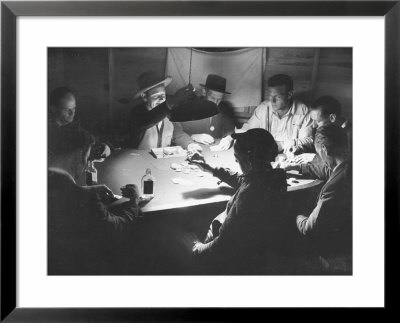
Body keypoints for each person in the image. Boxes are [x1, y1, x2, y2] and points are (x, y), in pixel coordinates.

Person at [188, 128, 288, 274]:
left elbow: (224, 243)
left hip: (234, 258)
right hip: (260, 248)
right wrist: (211, 170)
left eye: (237, 158)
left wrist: (198, 249)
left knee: (173, 233)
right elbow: (244, 180)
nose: (235, 161)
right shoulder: (276, 177)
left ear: (249, 159)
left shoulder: (249, 193)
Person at [48, 125, 142, 274]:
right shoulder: (85, 199)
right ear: (80, 155)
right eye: (86, 156)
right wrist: (134, 202)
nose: (86, 163)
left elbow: (61, 193)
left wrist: (87, 189)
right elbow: (116, 228)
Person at [296, 124, 352, 274]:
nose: (321, 158)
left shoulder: (333, 187)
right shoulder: (350, 165)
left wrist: (295, 215)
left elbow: (309, 228)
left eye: (319, 154)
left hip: (334, 248)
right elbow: (329, 170)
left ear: (325, 150)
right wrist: (298, 168)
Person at [222, 74, 313, 154]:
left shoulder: (303, 111)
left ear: (289, 94)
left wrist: (283, 144)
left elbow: (308, 141)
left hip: (289, 155)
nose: (272, 101)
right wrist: (231, 137)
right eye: (270, 95)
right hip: (264, 155)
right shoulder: (263, 108)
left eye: (278, 96)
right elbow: (248, 129)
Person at [283, 96, 352, 180]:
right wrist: (300, 148)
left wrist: (313, 157)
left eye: (318, 121)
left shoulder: (350, 137)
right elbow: (320, 144)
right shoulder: (327, 129)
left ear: (332, 118)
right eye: (313, 120)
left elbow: (334, 167)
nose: (314, 125)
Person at [131, 70, 195, 149]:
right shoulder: (137, 113)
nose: (161, 99)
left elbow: (178, 134)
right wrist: (173, 101)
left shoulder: (169, 113)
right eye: (155, 96)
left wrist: (190, 145)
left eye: (163, 95)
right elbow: (148, 120)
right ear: (144, 97)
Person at [172, 74, 235, 152]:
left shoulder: (225, 108)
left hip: (216, 151)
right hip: (194, 150)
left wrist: (229, 138)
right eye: (212, 98)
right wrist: (193, 136)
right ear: (204, 92)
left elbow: (230, 128)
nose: (215, 103)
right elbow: (177, 132)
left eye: (219, 99)